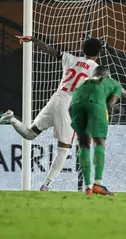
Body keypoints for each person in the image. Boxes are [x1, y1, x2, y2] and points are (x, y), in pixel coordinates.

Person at [0, 35, 103, 191]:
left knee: (30, 134)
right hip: (69, 104)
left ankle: (12, 118)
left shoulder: (71, 58)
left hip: (56, 98)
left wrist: (34, 40)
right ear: (99, 53)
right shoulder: (96, 69)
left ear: (83, 50)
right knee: (64, 148)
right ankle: (46, 185)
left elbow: (50, 50)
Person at [70, 65, 126, 195]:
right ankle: (98, 184)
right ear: (107, 75)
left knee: (83, 144)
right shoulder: (112, 82)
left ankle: (88, 186)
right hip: (96, 105)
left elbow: (72, 102)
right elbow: (110, 103)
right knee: (99, 142)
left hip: (75, 105)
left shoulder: (84, 82)